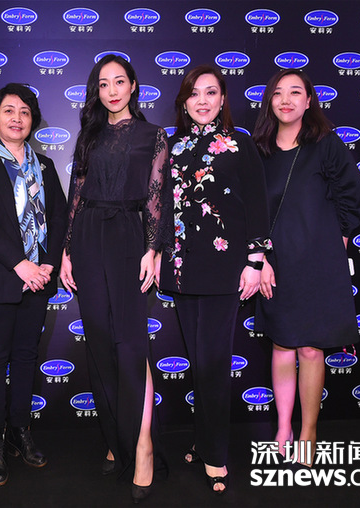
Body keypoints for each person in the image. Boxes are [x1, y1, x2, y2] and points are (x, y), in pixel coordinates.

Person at [60, 54, 171, 503]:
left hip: (128, 237)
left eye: (119, 81)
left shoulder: (153, 135)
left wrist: (153, 248)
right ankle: (115, 436)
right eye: (103, 84)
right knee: (101, 344)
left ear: (133, 85)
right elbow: (77, 193)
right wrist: (66, 250)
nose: (111, 90)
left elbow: (158, 196)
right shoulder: (89, 134)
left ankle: (142, 446)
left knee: (131, 344)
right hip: (88, 237)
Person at [159, 65, 272, 494]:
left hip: (225, 270)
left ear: (223, 99)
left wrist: (255, 260)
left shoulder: (240, 143)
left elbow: (257, 204)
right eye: (194, 93)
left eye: (211, 92)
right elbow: (159, 206)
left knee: (213, 363)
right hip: (182, 269)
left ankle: (216, 454)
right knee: (198, 361)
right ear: (184, 101)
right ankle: (204, 439)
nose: (202, 100)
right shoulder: (171, 145)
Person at [253, 69, 360, 466]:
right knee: (283, 346)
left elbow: (351, 193)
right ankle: (283, 426)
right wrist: (260, 259)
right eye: (278, 93)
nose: (285, 100)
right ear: (269, 101)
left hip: (318, 262)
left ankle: (309, 430)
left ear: (308, 100)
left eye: (295, 92)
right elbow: (251, 212)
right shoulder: (259, 150)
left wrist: (340, 237)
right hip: (276, 263)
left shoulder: (326, 144)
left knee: (311, 350)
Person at [0, 84, 66, 487]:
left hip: (37, 280)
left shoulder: (45, 166)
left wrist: (47, 263)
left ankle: (21, 431)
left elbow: (59, 218)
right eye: (9, 111)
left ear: (32, 119)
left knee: (25, 357)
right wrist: (21, 264)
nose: (17, 118)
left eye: (24, 111)